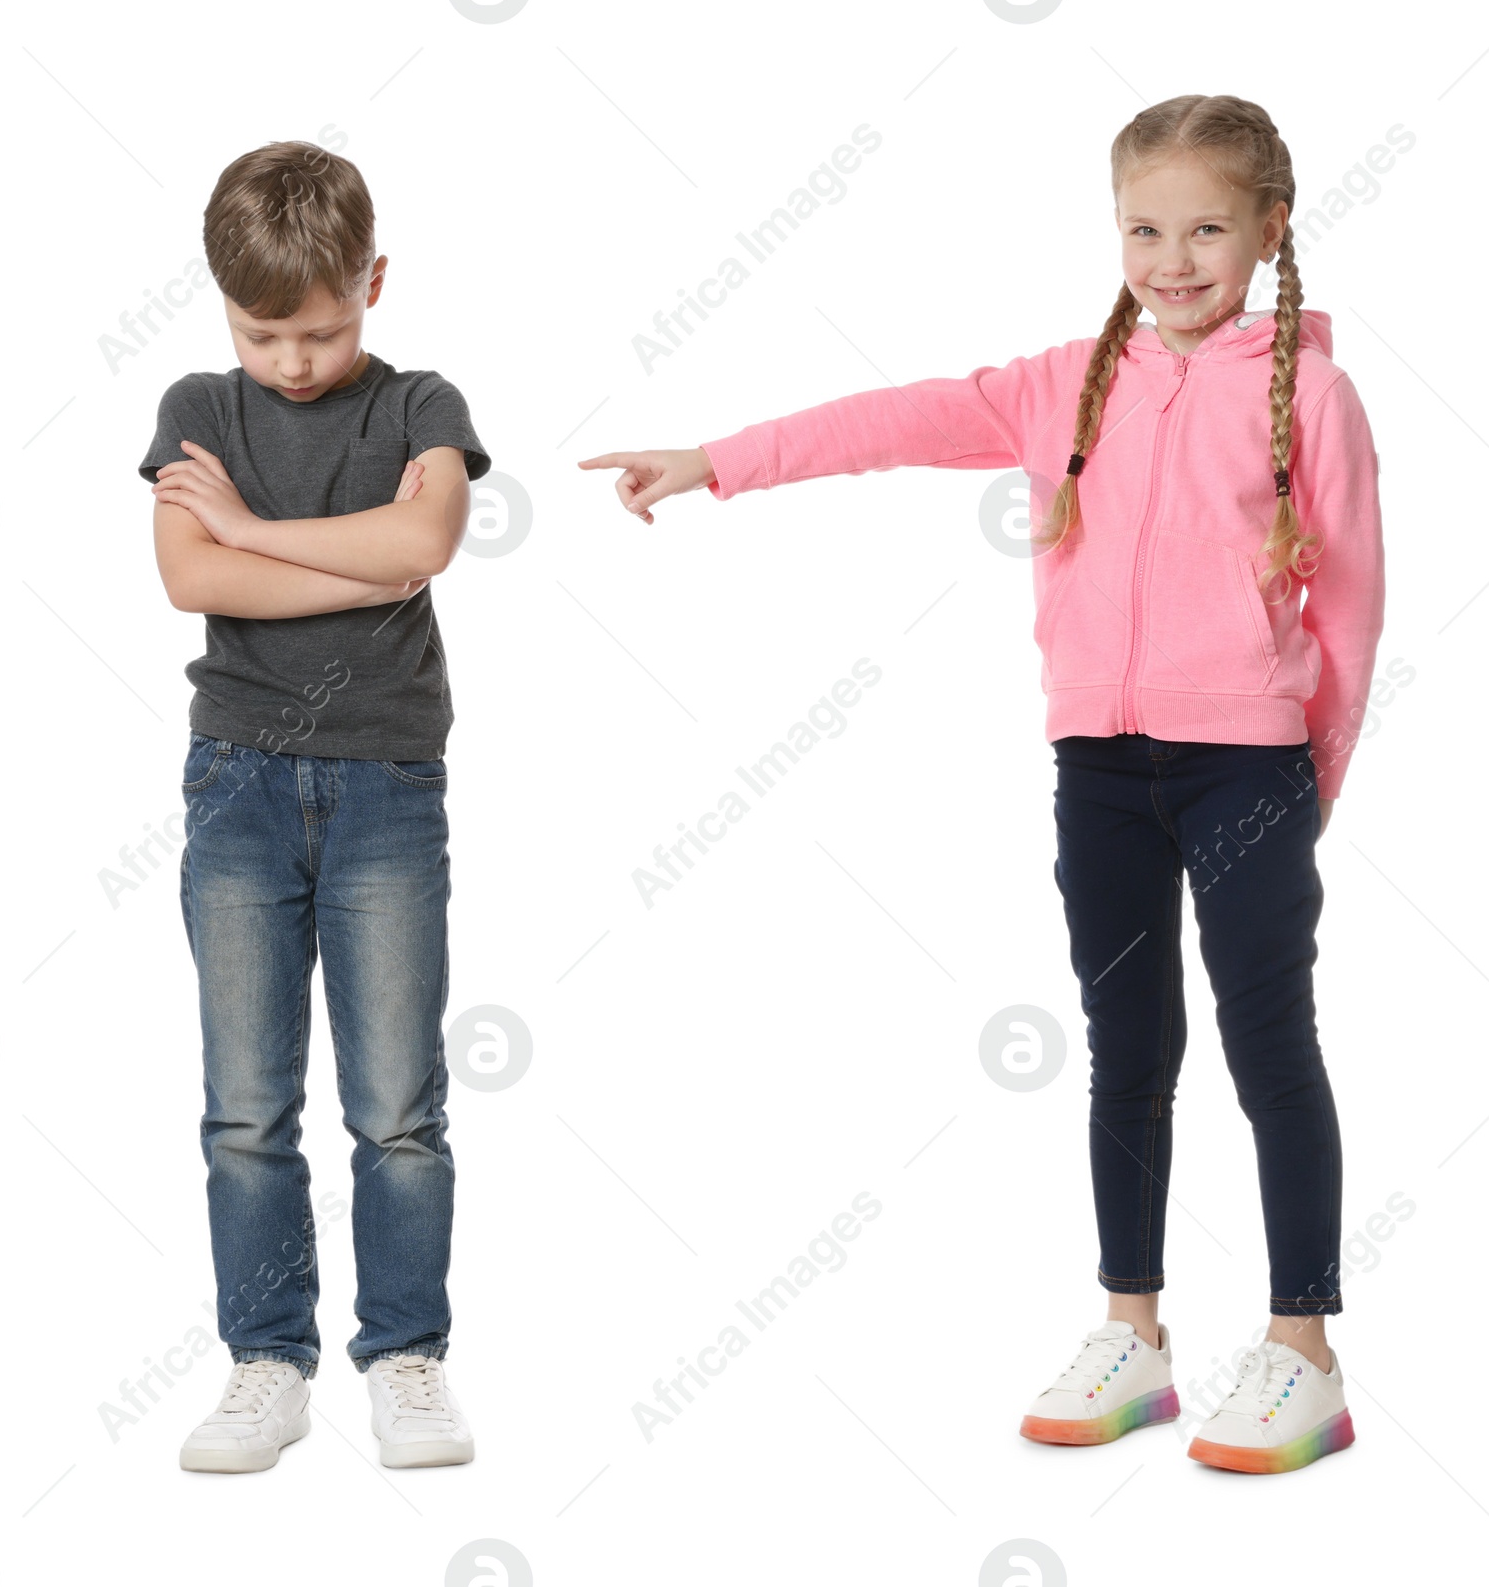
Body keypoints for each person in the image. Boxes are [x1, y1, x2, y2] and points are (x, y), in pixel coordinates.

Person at [580, 95, 1384, 1476]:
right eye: (1144, 227)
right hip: (1100, 765)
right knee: (1127, 1048)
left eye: (1206, 227)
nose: (1174, 257)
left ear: (1269, 229)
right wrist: (716, 462)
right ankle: (1132, 1332)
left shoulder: (1308, 390)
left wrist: (1310, 785)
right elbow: (891, 420)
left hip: (1251, 770)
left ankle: (1302, 1346)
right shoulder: (1066, 380)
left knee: (1268, 1046)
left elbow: (1353, 607)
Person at [139, 140, 488, 1473]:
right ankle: (265, 1361)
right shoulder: (194, 407)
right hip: (236, 783)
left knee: (397, 1101)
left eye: (323, 329)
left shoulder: (420, 405)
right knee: (246, 1104)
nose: (292, 361)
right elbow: (186, 578)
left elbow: (422, 549)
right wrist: (314, 549)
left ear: (374, 284)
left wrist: (253, 533)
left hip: (388, 785)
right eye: (263, 333)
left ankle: (406, 1356)